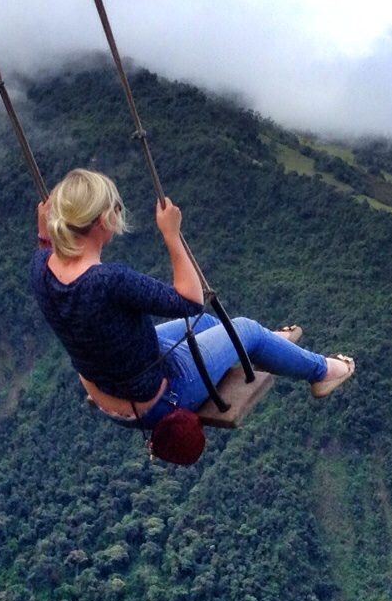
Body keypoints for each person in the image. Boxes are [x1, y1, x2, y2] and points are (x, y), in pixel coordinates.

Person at [31, 168, 354, 440]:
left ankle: (266, 346)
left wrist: (44, 228)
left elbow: (46, 247)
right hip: (159, 397)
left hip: (108, 392)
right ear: (104, 219)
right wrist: (172, 234)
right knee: (244, 328)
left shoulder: (41, 267)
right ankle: (323, 372)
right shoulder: (110, 280)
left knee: (212, 327)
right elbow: (190, 302)